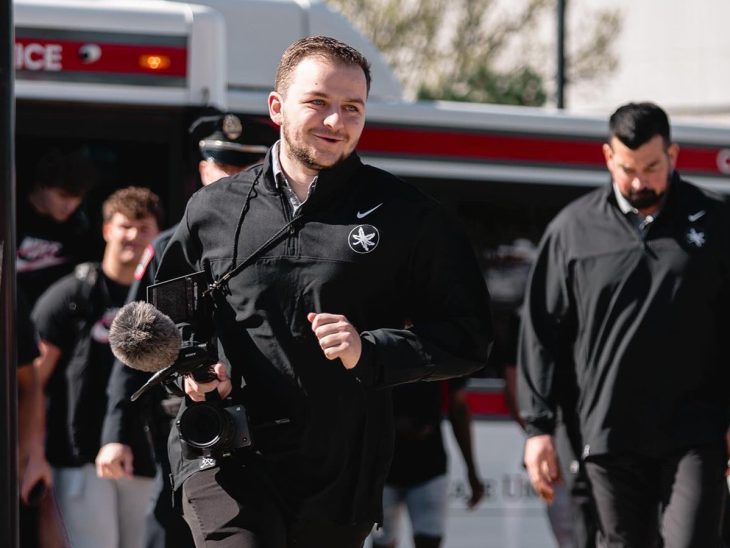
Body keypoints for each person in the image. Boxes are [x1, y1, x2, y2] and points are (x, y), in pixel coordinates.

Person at [151, 35, 492, 547]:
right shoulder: (210, 210)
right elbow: (168, 318)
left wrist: (370, 349)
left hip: (340, 475)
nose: (335, 122)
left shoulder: (409, 217)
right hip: (225, 462)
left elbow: (468, 338)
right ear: (277, 107)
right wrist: (192, 375)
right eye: (318, 102)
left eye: (351, 108)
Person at [518, 102, 730, 547]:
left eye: (652, 167)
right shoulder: (572, 231)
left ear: (673, 155)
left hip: (695, 434)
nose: (639, 182)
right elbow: (540, 334)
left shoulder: (717, 221)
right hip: (607, 435)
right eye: (627, 168)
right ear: (608, 157)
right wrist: (538, 430)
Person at [96, 112, 271, 548]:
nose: (232, 179)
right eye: (223, 169)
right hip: (188, 422)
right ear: (203, 171)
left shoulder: (284, 241)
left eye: (243, 170)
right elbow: (137, 339)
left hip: (269, 425)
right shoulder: (172, 246)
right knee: (167, 530)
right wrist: (115, 435)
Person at [31, 187, 163, 548]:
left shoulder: (161, 298)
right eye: (125, 226)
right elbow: (32, 381)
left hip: (145, 457)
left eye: (144, 227)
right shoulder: (72, 295)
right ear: (106, 229)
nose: (134, 236)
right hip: (79, 455)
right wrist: (33, 453)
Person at [370, 379, 484, 548]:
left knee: (427, 539)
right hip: (383, 468)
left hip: (426, 465)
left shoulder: (442, 353)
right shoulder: (374, 352)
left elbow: (459, 408)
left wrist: (472, 470)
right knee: (384, 541)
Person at [17, 147, 97, 306]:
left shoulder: (80, 228)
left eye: (77, 198)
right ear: (41, 185)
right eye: (63, 196)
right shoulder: (12, 216)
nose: (70, 206)